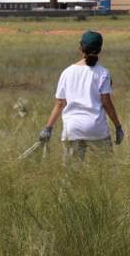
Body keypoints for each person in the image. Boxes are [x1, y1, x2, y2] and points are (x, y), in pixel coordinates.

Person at [39, 30, 124, 162]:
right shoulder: (103, 73)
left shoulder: (67, 72)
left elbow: (60, 104)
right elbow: (106, 102)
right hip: (97, 129)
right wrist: (118, 127)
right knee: (106, 171)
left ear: (80, 48)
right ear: (100, 50)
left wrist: (48, 128)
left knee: (71, 175)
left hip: (72, 130)